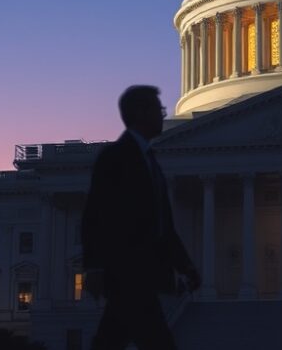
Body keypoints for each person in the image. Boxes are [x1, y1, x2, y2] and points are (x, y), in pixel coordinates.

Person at [82, 85, 200, 350]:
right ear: (141, 113)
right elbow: (94, 214)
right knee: (154, 340)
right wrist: (94, 267)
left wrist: (186, 267)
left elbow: (163, 225)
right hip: (127, 271)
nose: (163, 115)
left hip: (141, 275)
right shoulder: (115, 157)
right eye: (158, 110)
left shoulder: (150, 159)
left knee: (112, 339)